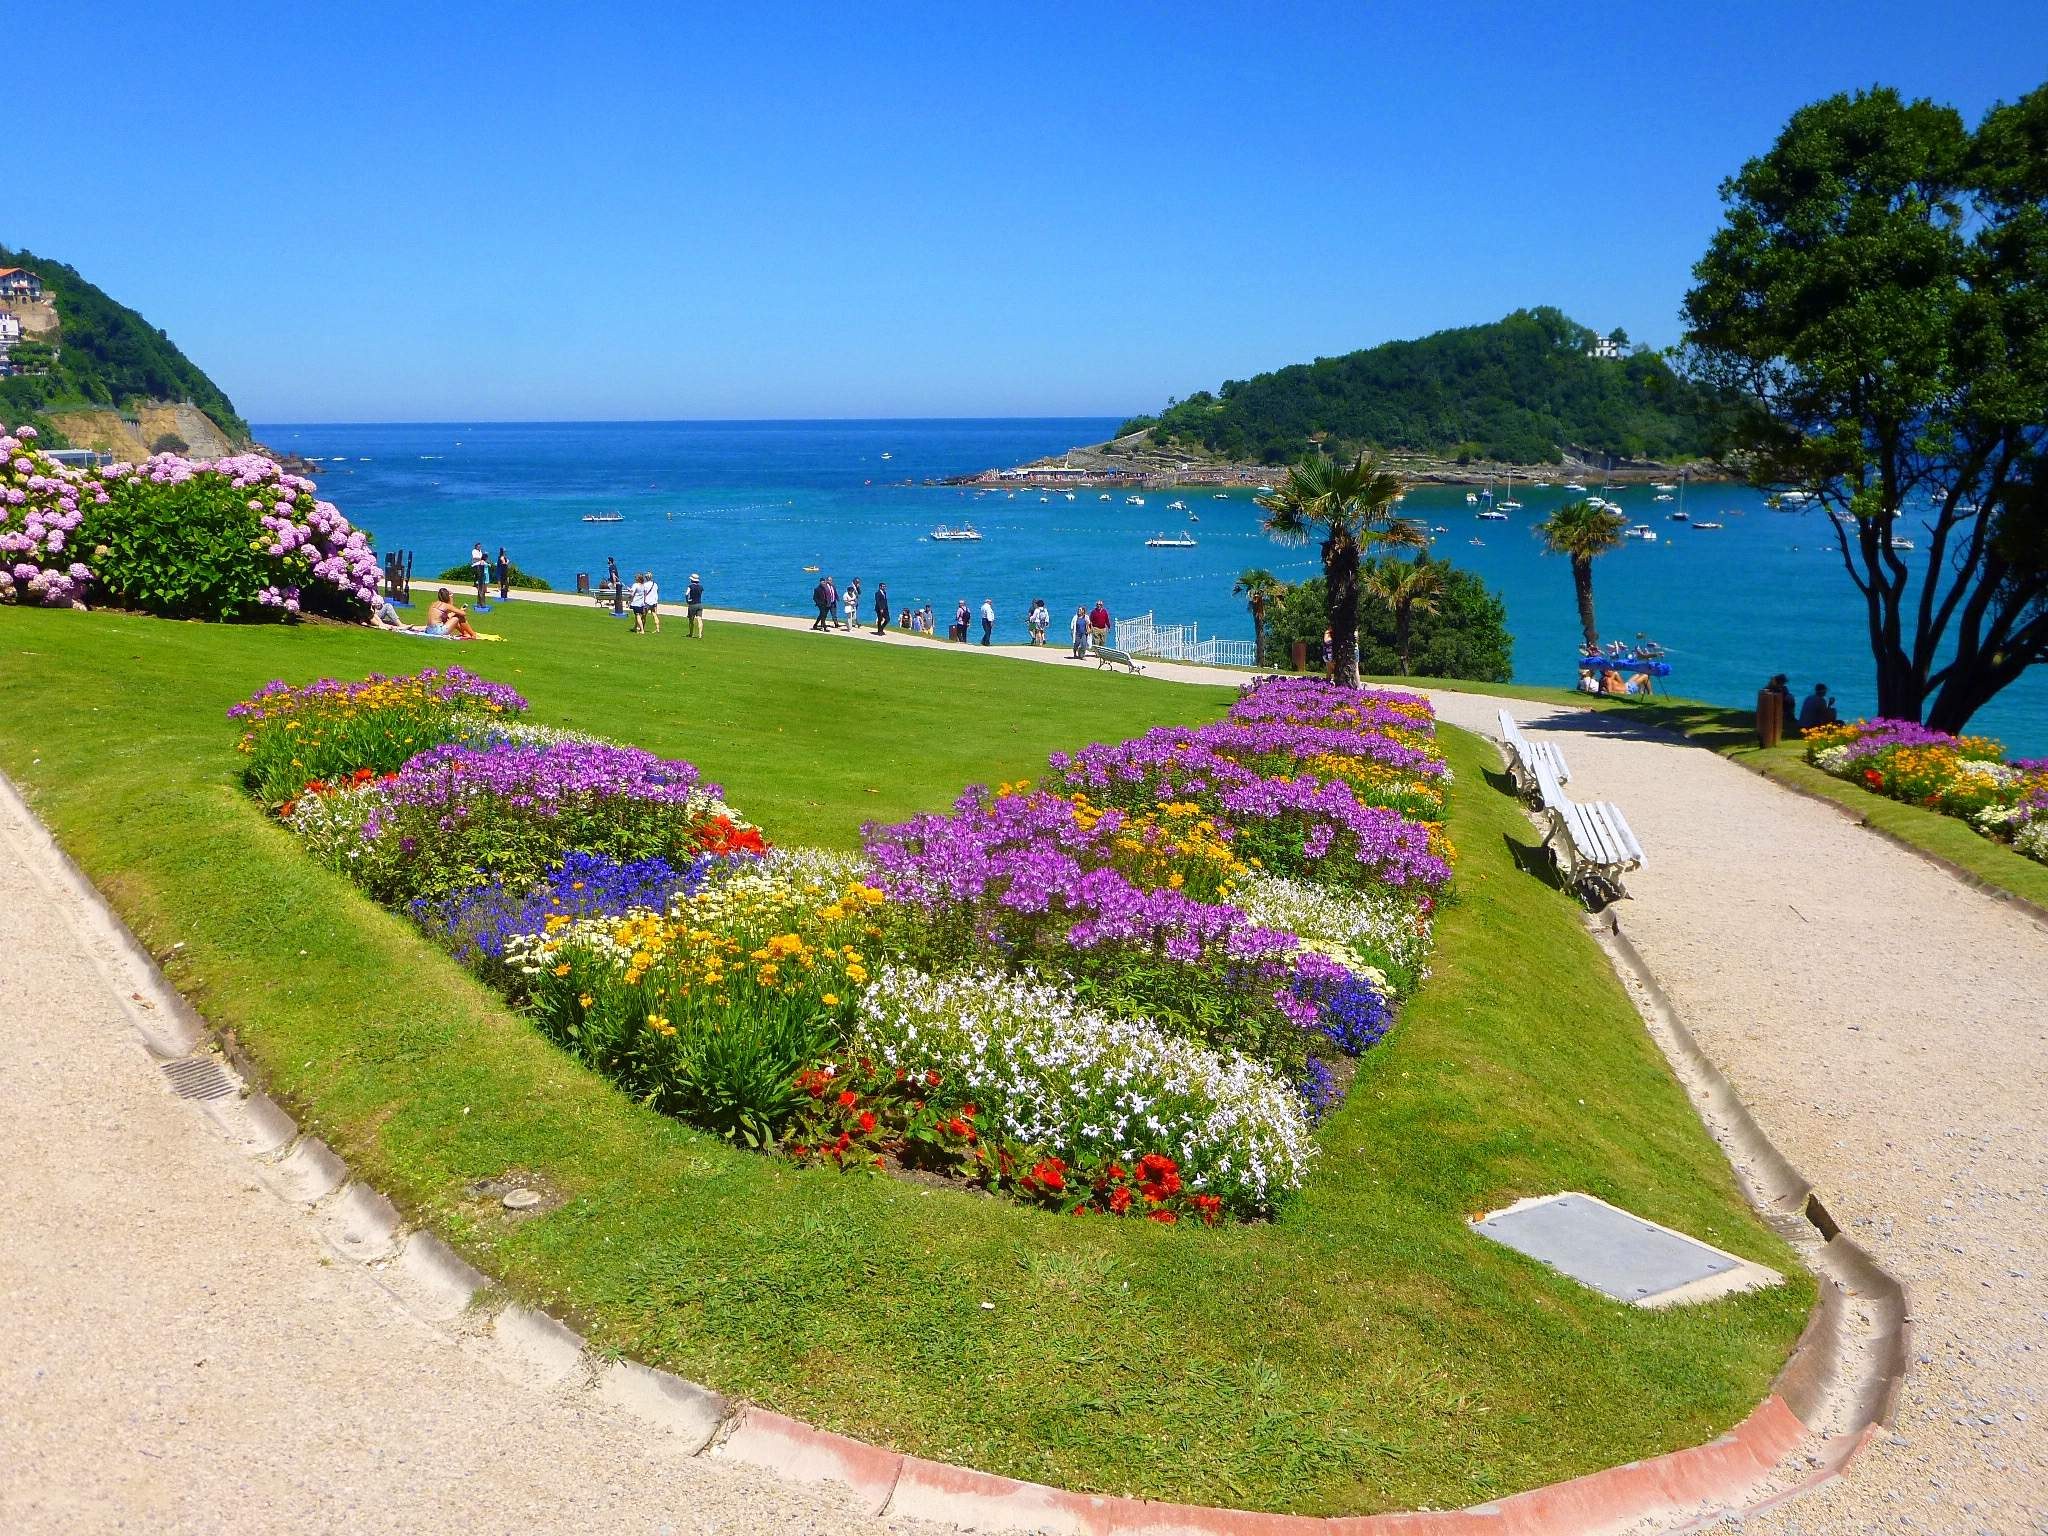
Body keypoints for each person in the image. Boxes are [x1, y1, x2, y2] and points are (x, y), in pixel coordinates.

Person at [686, 572, 705, 639]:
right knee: (699, 619)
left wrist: (687, 600)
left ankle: (691, 633)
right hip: (699, 604)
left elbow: (686, 594)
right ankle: (700, 634)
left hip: (692, 604)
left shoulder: (690, 586)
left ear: (692, 580)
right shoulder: (701, 587)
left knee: (691, 620)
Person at [470, 541, 489, 606]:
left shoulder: (480, 551)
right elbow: (474, 557)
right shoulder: (474, 551)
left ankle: (480, 585)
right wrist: (481, 558)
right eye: (478, 546)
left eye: (480, 546)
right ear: (476, 546)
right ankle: (477, 584)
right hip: (476, 564)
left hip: (481, 564)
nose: (480, 547)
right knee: (478, 575)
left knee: (481, 577)